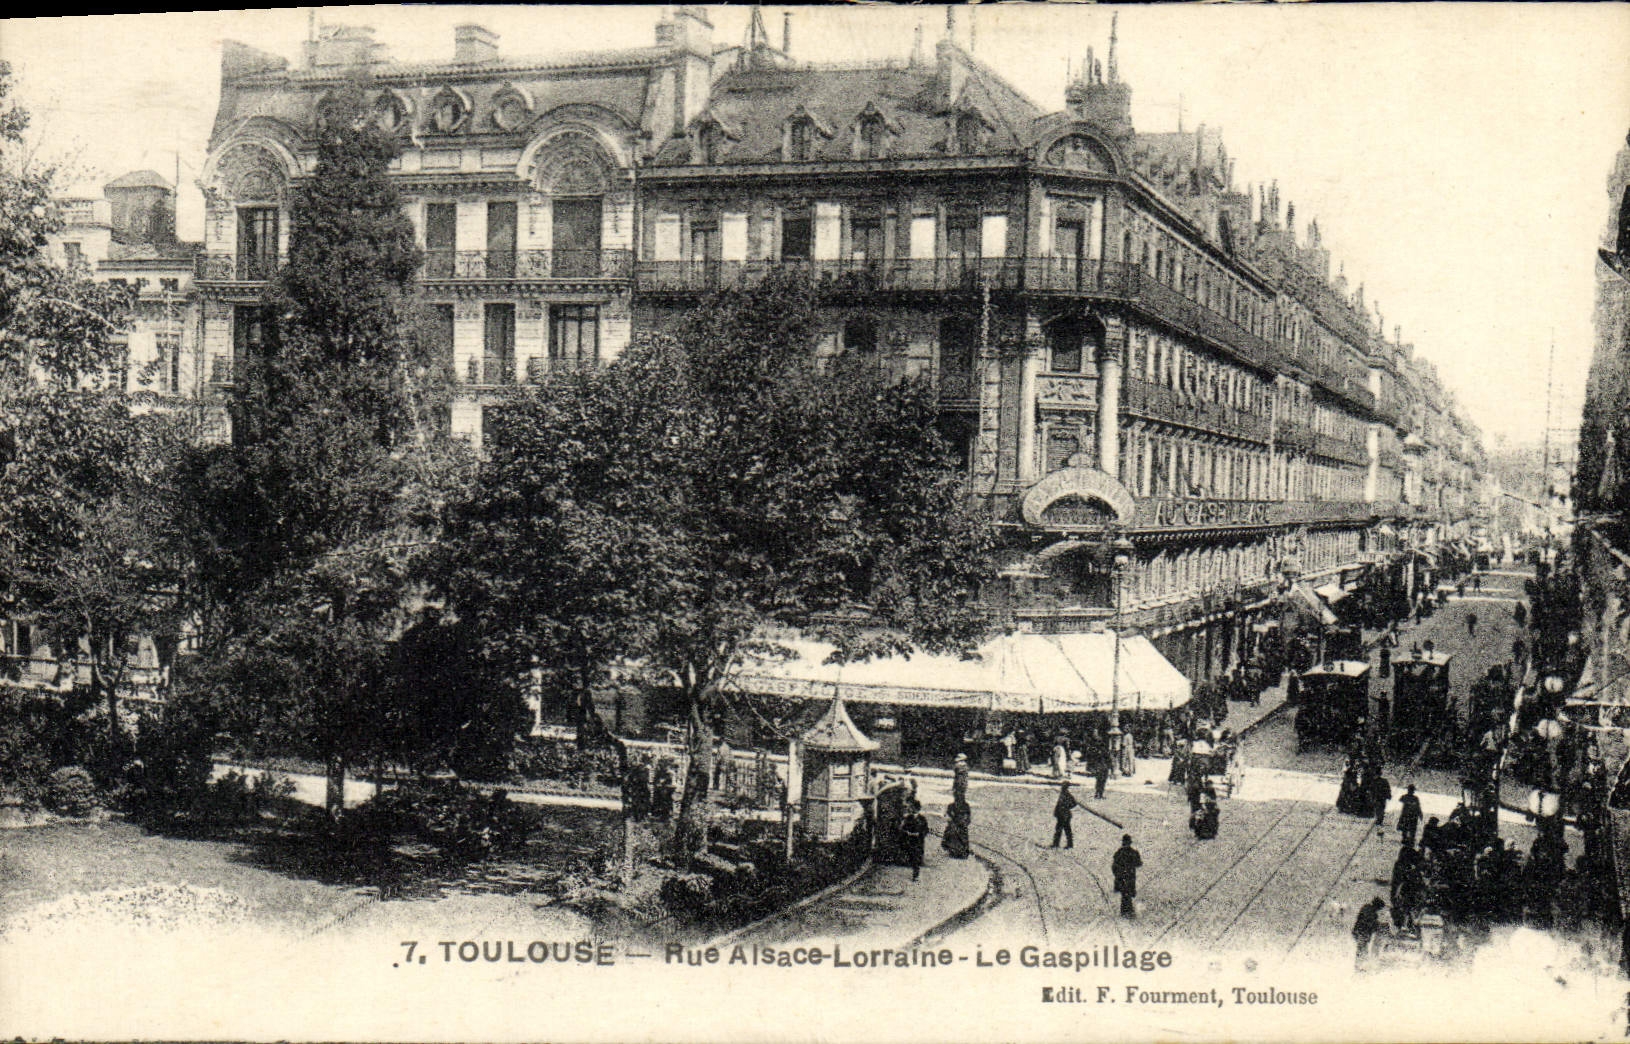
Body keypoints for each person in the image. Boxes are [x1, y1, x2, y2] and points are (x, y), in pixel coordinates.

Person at [1112, 834, 1143, 918]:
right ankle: (1129, 912)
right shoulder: (1133, 852)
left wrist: (1117, 874)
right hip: (1130, 877)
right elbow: (1139, 863)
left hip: (1121, 878)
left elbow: (1114, 867)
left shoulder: (1118, 853)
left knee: (1124, 894)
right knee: (1128, 893)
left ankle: (1125, 912)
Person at [1352, 897, 1387, 970]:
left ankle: (1359, 965)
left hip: (1359, 931)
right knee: (1362, 948)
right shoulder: (1371, 912)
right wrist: (1378, 925)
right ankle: (1359, 966)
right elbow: (1369, 923)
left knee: (1362, 948)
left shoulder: (1366, 908)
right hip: (1362, 932)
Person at [899, 799, 928, 880]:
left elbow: (926, 829)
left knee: (916, 857)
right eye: (911, 808)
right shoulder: (908, 818)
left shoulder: (922, 819)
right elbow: (903, 828)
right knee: (911, 855)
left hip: (918, 841)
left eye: (913, 808)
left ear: (918, 809)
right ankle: (913, 868)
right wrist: (907, 832)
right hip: (910, 840)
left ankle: (916, 874)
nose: (912, 809)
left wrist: (920, 834)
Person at [1051, 782, 1078, 849]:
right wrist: (1056, 812)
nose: (1062, 787)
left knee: (1065, 830)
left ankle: (1067, 844)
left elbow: (1074, 803)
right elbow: (1058, 805)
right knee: (1061, 830)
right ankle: (1057, 844)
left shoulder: (1067, 795)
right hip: (1061, 815)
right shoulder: (1063, 794)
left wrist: (1067, 807)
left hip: (1065, 815)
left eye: (1063, 786)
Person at [624, 757, 651, 822]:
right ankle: (639, 816)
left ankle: (640, 816)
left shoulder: (644, 769)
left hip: (640, 789)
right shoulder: (642, 769)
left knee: (640, 802)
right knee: (639, 802)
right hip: (639, 788)